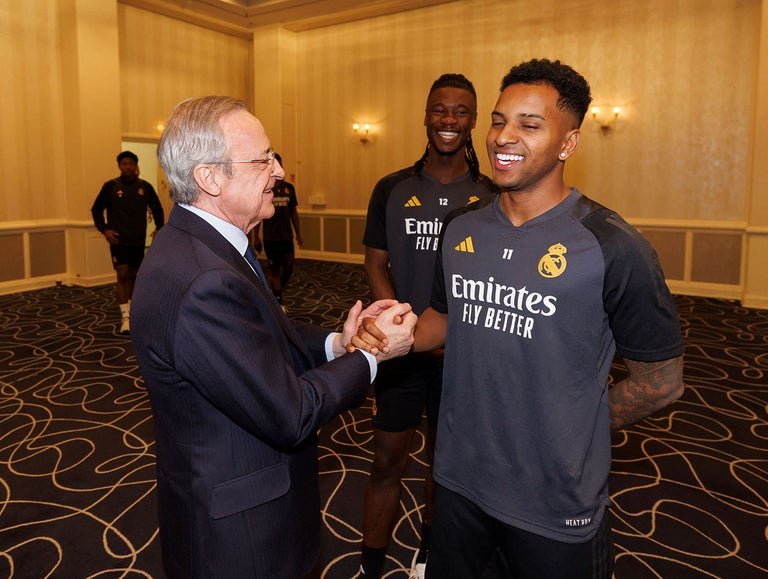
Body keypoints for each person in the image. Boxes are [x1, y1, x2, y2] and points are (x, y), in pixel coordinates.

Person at [353, 59, 685, 578]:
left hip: (552, 500)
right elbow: (443, 317)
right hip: (458, 482)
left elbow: (661, 383)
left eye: (529, 125)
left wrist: (576, 428)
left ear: (568, 143)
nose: (503, 136)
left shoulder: (613, 246)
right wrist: (396, 338)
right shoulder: (463, 227)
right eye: (500, 120)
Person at [130, 96, 417, 579]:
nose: (279, 170)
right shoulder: (204, 278)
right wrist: (372, 352)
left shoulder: (204, 246)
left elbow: (255, 336)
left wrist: (336, 344)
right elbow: (290, 413)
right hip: (244, 536)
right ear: (210, 178)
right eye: (263, 159)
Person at [359, 73, 497, 579]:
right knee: (385, 460)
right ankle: (371, 561)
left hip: (463, 358)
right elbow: (376, 263)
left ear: (473, 122)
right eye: (440, 109)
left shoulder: (490, 195)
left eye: (461, 112)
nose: (449, 120)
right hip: (400, 356)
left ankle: (428, 552)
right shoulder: (392, 188)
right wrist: (399, 329)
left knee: (446, 466)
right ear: (425, 114)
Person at [91, 150, 165, 334]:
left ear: (135, 166)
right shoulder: (110, 186)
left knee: (134, 275)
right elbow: (96, 210)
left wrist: (159, 229)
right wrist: (105, 229)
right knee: (122, 274)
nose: (128, 167)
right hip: (118, 240)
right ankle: (125, 318)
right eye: (124, 163)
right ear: (119, 166)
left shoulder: (145, 187)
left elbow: (158, 209)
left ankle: (132, 313)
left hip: (138, 239)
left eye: (131, 163)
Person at [251, 152, 303, 305]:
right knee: (274, 270)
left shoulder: (289, 188)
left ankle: (275, 289)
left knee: (288, 267)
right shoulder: (265, 189)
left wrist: (298, 234)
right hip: (270, 238)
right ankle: (278, 300)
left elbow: (293, 212)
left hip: (286, 237)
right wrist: (256, 237)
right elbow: (258, 215)